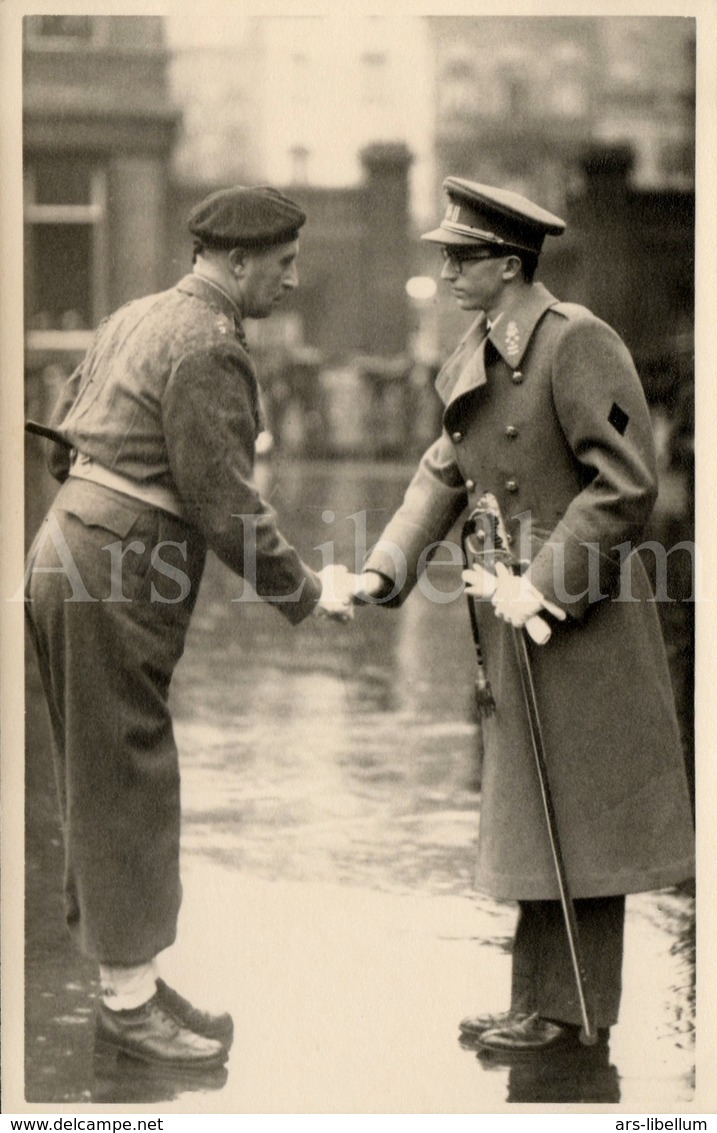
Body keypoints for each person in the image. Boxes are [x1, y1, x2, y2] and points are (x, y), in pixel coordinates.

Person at [354, 177, 695, 1056]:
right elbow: (442, 472)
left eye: (459, 257)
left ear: (507, 264)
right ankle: (537, 1001)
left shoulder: (574, 343)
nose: (445, 268)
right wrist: (385, 565)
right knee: (534, 810)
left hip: (577, 614)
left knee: (581, 814)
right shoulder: (476, 350)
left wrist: (542, 583)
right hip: (512, 610)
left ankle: (575, 1012)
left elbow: (626, 481)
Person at [24, 185, 355, 1069]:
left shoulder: (138, 313)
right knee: (126, 776)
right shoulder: (210, 345)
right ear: (237, 262)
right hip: (111, 566)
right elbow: (225, 503)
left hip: (66, 544)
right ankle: (128, 1006)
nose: (292, 281)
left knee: (103, 774)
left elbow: (64, 440)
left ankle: (128, 983)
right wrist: (306, 590)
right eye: (282, 266)